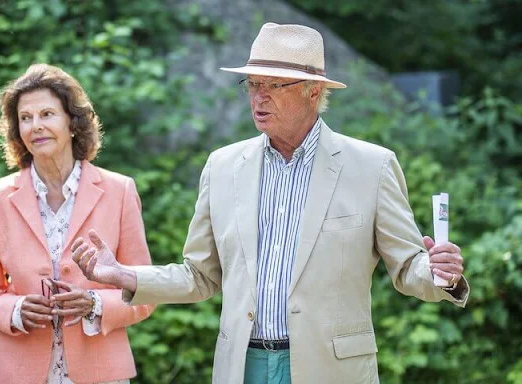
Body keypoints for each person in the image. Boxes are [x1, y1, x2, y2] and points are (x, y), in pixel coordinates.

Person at [70, 23, 470, 384]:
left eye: (273, 85)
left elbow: (408, 267)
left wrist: (439, 274)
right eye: (252, 85)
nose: (258, 97)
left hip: (332, 370)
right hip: (242, 367)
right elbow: (200, 276)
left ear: (313, 92)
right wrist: (125, 275)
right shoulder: (222, 166)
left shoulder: (372, 166)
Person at [0, 64, 154, 384]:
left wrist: (93, 303)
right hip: (17, 373)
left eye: (47, 114)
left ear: (72, 123)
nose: (36, 126)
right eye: (26, 118)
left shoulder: (119, 191)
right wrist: (15, 309)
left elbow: (145, 291)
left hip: (102, 373)